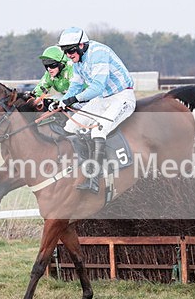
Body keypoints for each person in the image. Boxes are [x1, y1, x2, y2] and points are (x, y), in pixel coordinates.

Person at [52, 27, 135, 193]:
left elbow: (97, 87)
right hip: (103, 98)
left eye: (70, 50)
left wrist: (73, 99)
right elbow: (75, 86)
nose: (68, 55)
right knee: (70, 127)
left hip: (122, 97)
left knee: (98, 131)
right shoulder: (77, 60)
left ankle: (94, 180)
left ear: (82, 45)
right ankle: (77, 169)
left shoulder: (98, 54)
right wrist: (61, 102)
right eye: (65, 51)